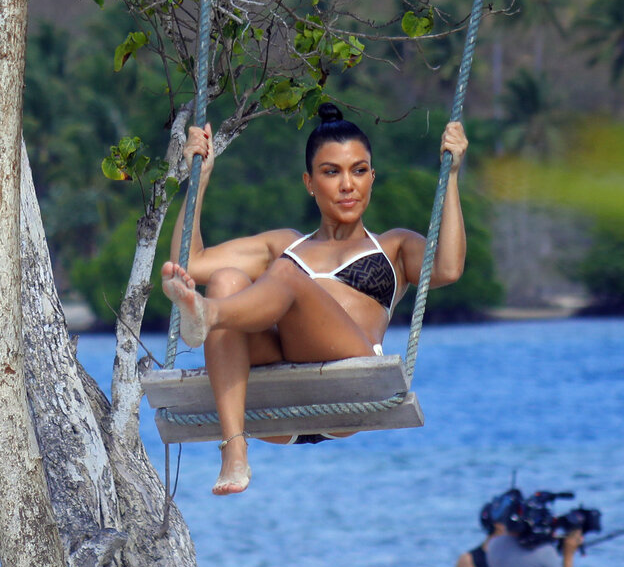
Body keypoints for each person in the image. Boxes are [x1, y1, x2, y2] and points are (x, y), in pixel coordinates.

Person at [162, 103, 468, 495]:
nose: (347, 185)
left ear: (372, 177)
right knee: (225, 279)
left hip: (348, 389)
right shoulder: (285, 245)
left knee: (287, 273)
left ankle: (209, 315)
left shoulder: (393, 247)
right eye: (331, 172)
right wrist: (199, 180)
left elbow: (448, 268)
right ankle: (234, 448)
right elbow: (189, 263)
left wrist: (452, 174)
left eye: (359, 170)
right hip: (274, 403)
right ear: (309, 182)